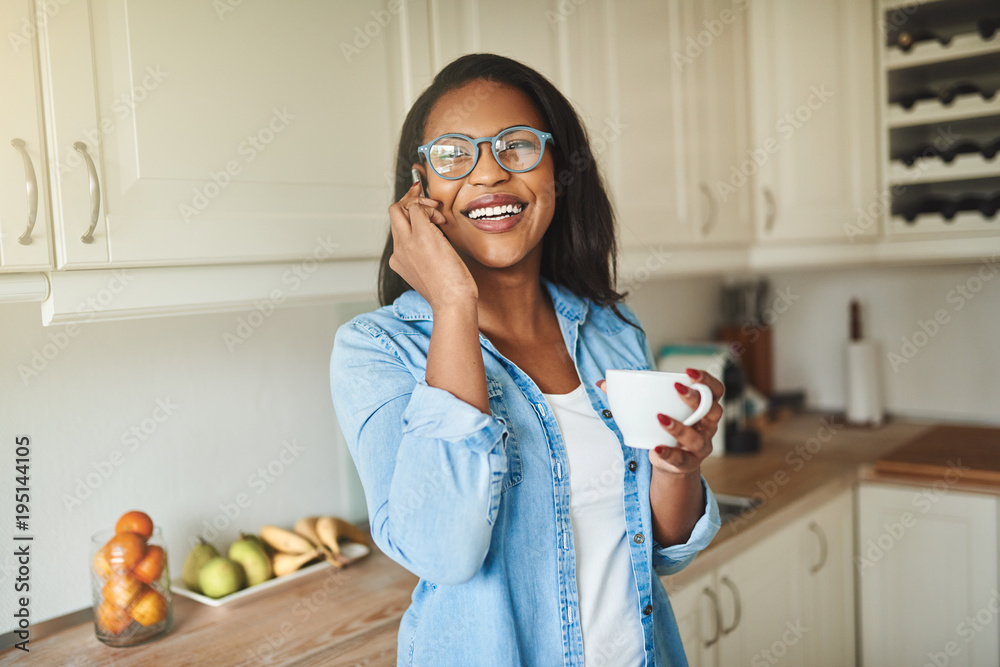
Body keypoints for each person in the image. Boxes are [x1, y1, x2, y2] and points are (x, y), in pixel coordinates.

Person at [330, 53, 722, 667]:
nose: (488, 175)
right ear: (420, 189)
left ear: (558, 171)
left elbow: (658, 550)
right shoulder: (375, 349)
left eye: (517, 147)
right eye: (454, 155)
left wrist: (678, 468)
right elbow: (444, 553)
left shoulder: (609, 327)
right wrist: (453, 302)